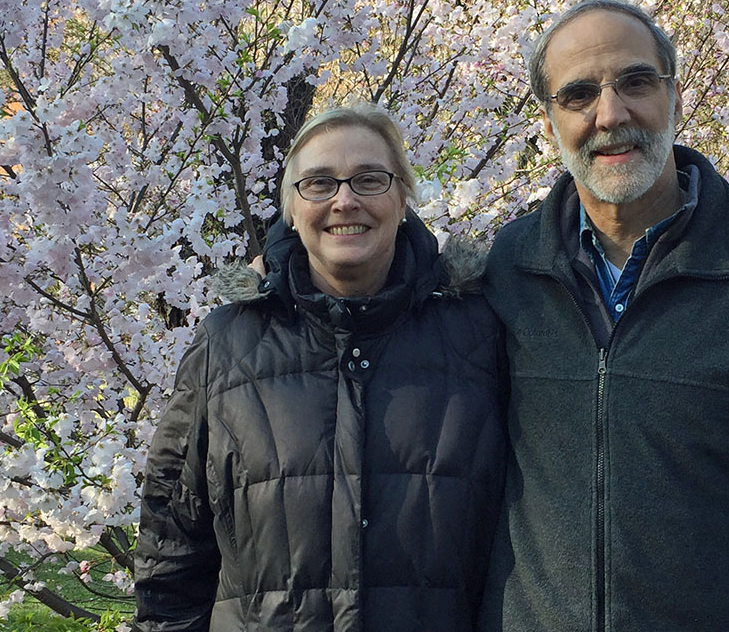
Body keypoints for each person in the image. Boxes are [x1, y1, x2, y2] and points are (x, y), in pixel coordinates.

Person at [479, 0, 729, 631]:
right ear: (549, 119)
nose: (610, 115)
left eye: (636, 83)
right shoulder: (508, 270)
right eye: (579, 94)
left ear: (674, 92)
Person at [134, 104, 506, 631]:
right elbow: (171, 544)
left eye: (370, 179)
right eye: (319, 184)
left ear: (403, 199)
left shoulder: (478, 336)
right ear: (291, 207)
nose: (345, 200)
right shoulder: (227, 344)